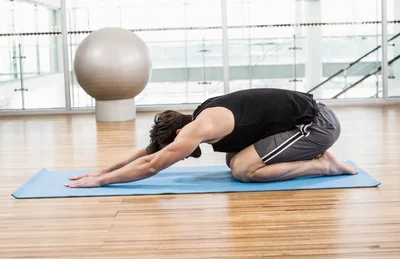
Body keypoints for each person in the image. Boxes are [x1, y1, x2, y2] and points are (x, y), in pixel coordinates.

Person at [65, 87, 357, 188]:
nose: (179, 153)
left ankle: (323, 165)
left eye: (175, 146)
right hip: (305, 120)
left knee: (243, 169)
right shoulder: (198, 117)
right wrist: (103, 170)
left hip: (318, 124)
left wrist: (101, 183)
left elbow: (153, 166)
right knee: (234, 160)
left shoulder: (199, 127)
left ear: (180, 133)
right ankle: (314, 159)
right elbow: (149, 153)